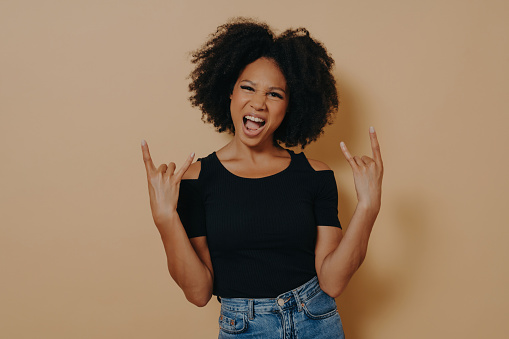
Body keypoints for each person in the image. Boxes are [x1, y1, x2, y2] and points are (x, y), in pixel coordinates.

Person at [141, 18, 383, 338]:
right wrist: (164, 218)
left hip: (316, 321)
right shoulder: (196, 180)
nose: (258, 103)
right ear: (230, 91)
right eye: (248, 87)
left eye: (274, 94)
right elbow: (198, 293)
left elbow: (333, 281)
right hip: (243, 327)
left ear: (288, 106)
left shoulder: (316, 174)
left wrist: (368, 207)